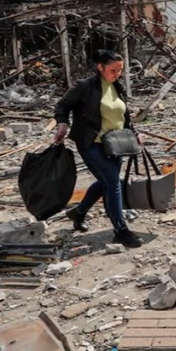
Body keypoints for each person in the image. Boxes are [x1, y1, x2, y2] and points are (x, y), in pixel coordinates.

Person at [53, 50, 142, 248]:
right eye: (113, 70)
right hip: (90, 143)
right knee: (113, 182)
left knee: (105, 182)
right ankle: (121, 230)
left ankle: (78, 212)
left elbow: (124, 116)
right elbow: (63, 105)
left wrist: (134, 132)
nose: (117, 74)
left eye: (120, 70)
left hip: (116, 144)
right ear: (100, 67)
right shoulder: (84, 87)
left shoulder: (117, 87)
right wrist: (62, 123)